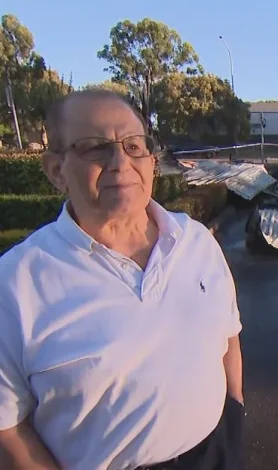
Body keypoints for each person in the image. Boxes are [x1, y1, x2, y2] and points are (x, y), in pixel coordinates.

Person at [0, 90, 244, 470]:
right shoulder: (16, 284)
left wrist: (234, 412)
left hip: (216, 454)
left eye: (134, 145)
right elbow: (7, 429)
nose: (120, 162)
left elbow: (229, 336)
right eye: (96, 148)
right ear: (55, 170)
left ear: (150, 160)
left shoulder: (196, 242)